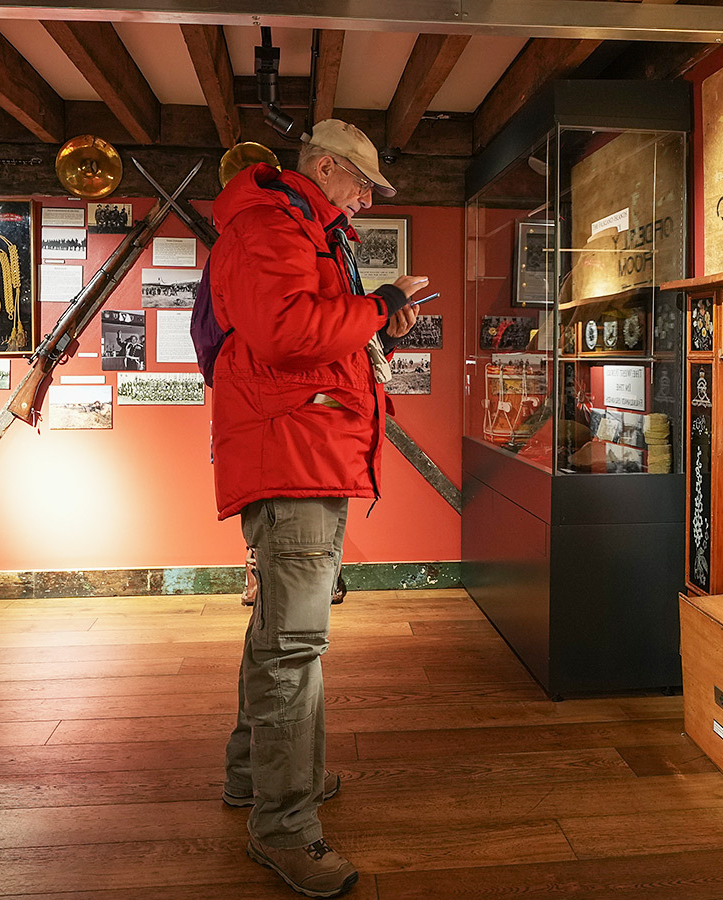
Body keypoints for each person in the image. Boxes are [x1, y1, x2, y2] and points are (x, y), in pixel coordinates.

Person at [206, 119, 426, 898]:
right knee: (295, 647)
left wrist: (379, 324)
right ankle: (285, 826)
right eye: (361, 183)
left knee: (277, 633)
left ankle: (252, 780)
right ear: (325, 168)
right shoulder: (274, 225)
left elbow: (314, 337)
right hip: (295, 452)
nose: (366, 199)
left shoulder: (299, 229)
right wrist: (379, 305)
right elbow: (288, 332)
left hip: (304, 448)